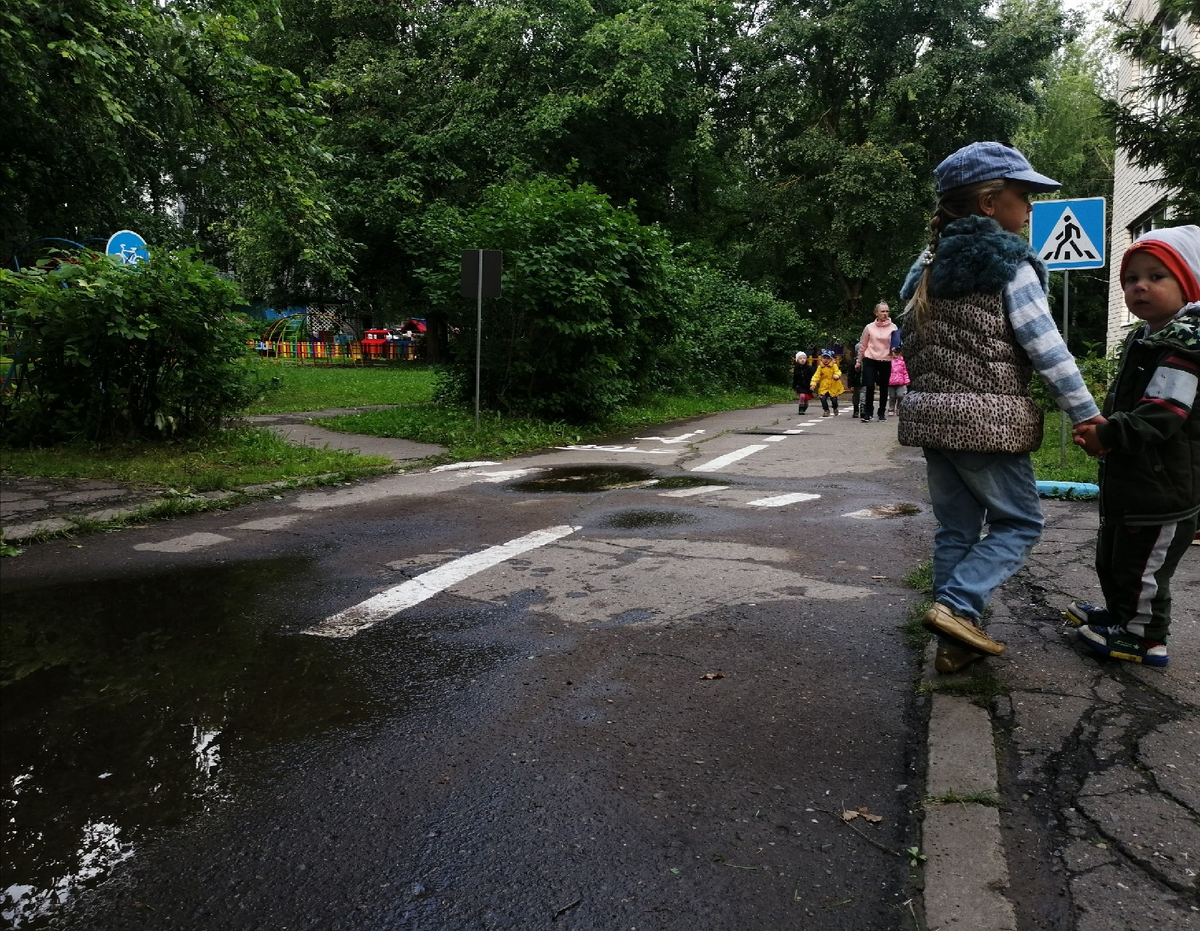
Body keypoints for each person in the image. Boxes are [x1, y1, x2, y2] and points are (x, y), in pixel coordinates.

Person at [897, 141, 1103, 673]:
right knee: (1020, 524)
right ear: (990, 203)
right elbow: (1047, 348)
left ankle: (953, 645)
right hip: (988, 423)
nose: (1031, 207)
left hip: (933, 420)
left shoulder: (927, 266)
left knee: (957, 531)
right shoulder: (1008, 264)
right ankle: (958, 606)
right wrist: (1086, 413)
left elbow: (910, 341)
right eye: (1024, 195)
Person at [1068, 225, 1200, 667]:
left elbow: (1163, 412)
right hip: (1136, 478)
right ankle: (1123, 618)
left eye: (1157, 277)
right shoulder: (1146, 337)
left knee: (1143, 570)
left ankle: (1146, 639)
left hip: (1163, 487)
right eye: (1131, 279)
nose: (1140, 286)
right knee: (1117, 557)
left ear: (1188, 284)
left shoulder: (1184, 348)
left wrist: (1110, 433)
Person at [856, 302, 899, 422]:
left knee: (884, 387)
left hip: (885, 359)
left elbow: (896, 346)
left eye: (887, 311)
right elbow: (863, 345)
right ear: (876, 313)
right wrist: (859, 360)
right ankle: (868, 413)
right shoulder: (869, 327)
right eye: (882, 311)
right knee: (869, 385)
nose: (885, 314)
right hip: (870, 359)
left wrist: (896, 352)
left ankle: (881, 412)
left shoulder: (893, 328)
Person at [809, 349, 844, 417]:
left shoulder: (834, 366)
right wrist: (813, 384)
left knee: (834, 399)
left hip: (833, 386)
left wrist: (836, 375)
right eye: (824, 358)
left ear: (831, 359)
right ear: (821, 358)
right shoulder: (820, 367)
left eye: (828, 358)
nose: (826, 360)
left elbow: (838, 372)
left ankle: (835, 407)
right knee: (823, 398)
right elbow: (816, 376)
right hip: (824, 386)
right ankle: (826, 410)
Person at [888, 348, 910, 416]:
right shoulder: (889, 361)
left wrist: (907, 380)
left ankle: (899, 408)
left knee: (900, 395)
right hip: (891, 382)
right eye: (895, 352)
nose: (896, 354)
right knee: (892, 396)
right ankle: (891, 408)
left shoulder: (902, 362)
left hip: (900, 382)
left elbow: (905, 372)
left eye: (898, 353)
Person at [842, 344, 861, 416]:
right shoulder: (853, 362)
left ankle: (864, 411)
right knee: (856, 397)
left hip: (865, 382)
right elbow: (850, 374)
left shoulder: (867, 362)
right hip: (856, 383)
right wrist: (850, 384)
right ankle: (856, 410)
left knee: (864, 397)